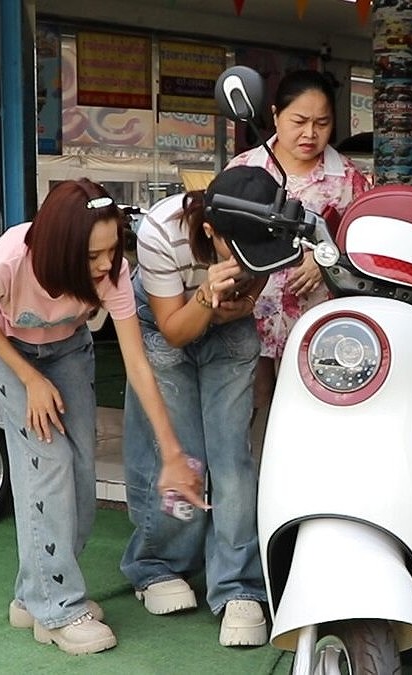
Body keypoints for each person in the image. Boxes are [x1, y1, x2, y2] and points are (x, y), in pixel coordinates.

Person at [0, 178, 205, 656]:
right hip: (9, 350)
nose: (104, 264)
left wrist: (173, 452)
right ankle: (57, 608)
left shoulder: (113, 273)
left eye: (112, 250)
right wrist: (30, 379)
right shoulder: (8, 259)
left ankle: (33, 595)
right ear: (60, 246)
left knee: (80, 468)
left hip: (70, 348)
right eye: (92, 254)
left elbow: (137, 364)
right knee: (48, 462)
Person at [120, 165, 276, 647]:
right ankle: (158, 565)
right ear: (210, 230)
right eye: (237, 248)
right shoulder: (160, 232)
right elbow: (174, 330)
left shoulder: (275, 223)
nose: (249, 257)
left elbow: (263, 276)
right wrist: (207, 295)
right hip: (167, 323)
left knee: (232, 459)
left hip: (227, 325)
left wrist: (245, 299)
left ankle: (239, 584)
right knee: (181, 454)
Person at [224, 69, 371, 431]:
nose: (310, 134)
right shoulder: (244, 170)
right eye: (299, 121)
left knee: (309, 421)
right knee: (242, 414)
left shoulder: (349, 179)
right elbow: (219, 237)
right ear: (275, 115)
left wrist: (326, 259)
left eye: (322, 123)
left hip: (317, 327)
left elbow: (365, 248)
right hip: (248, 315)